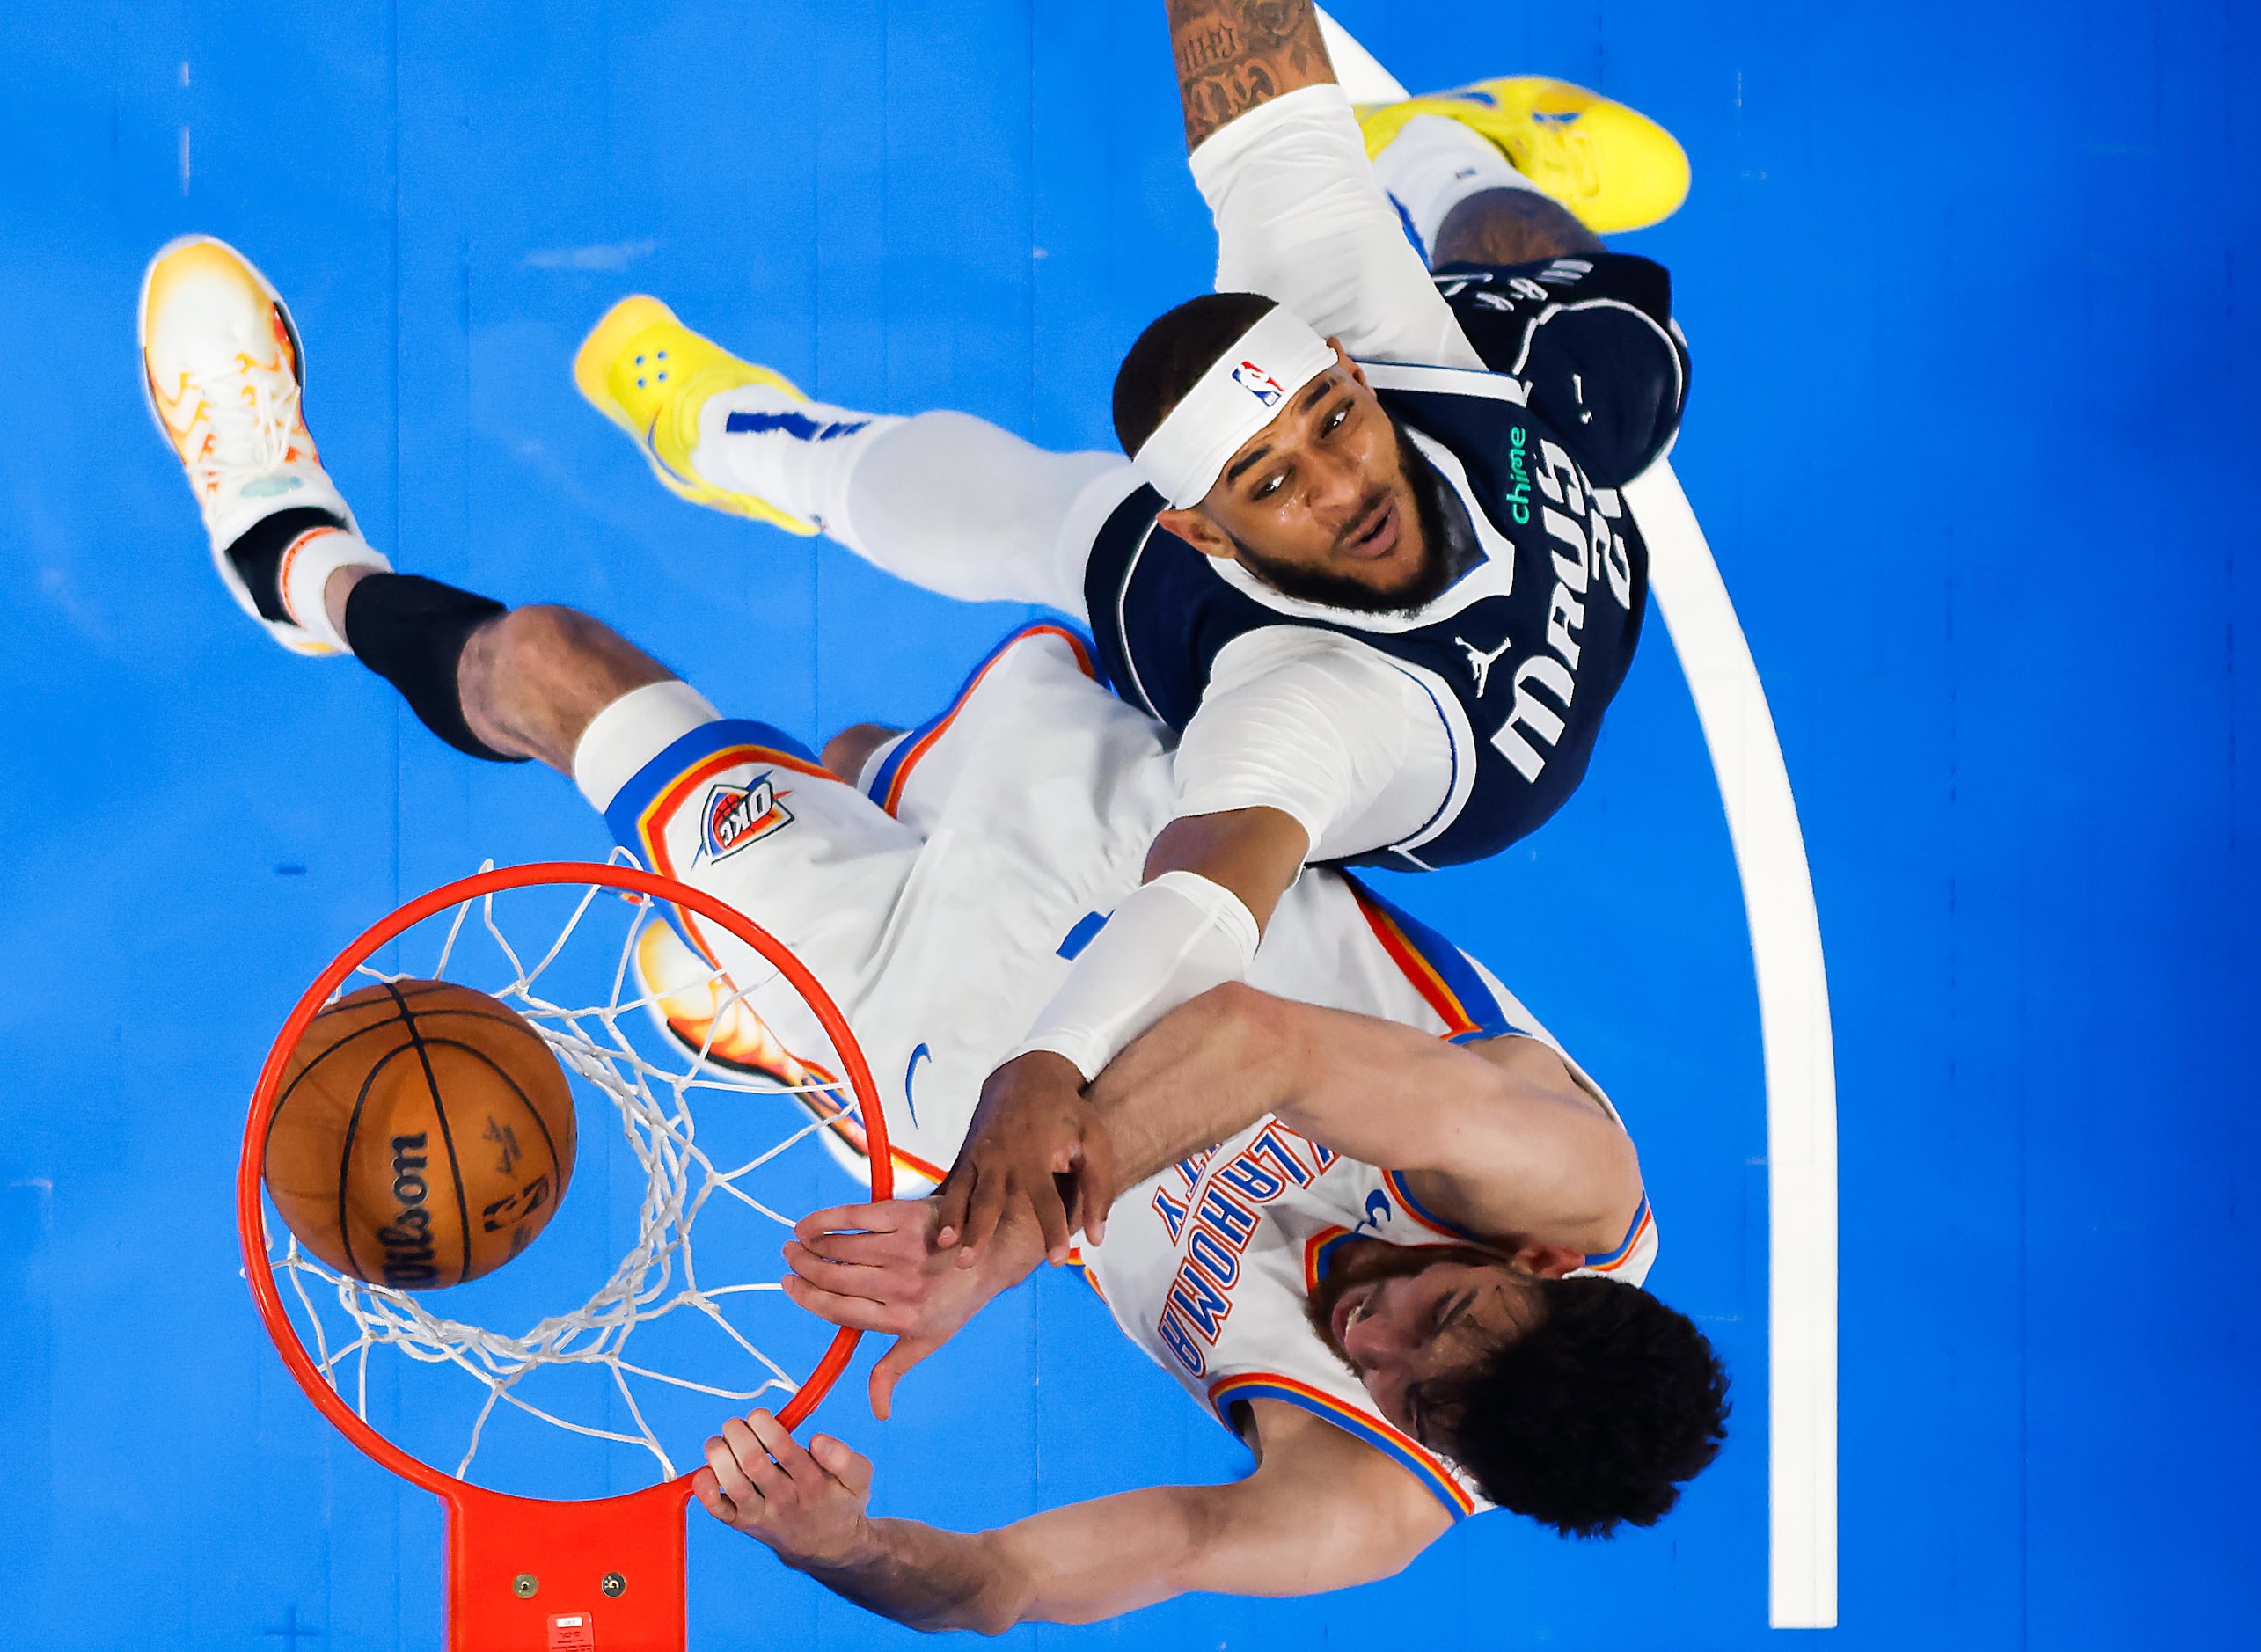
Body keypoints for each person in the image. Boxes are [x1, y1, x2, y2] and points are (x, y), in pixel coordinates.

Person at [142, 231, 1726, 1629]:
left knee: (554, 667)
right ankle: (1464, 182)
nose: (1375, 1332)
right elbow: (1255, 1041)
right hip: (1125, 840)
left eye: (1397, 1385)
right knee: (879, 723)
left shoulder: (1360, 1499)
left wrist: (847, 1543)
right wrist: (1011, 1235)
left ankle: (292, 555)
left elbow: (1011, 1585)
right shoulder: (1563, 1177)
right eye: (1441, 1314)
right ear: (1532, 1263)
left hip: (920, 1045)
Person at [572, 1, 1694, 1258]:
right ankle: (737, 435)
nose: (1334, 486)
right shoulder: (1307, 699)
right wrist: (1048, 1061)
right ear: (1207, 529)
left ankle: (1442, 148)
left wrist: (1328, 411)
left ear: (1345, 369)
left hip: (1499, 473)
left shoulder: (1347, 324)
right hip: (1397, 696)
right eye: (1265, 481)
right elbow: (1200, 903)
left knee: (1616, 364)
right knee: (1029, 512)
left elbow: (1250, 57)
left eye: (1329, 421)